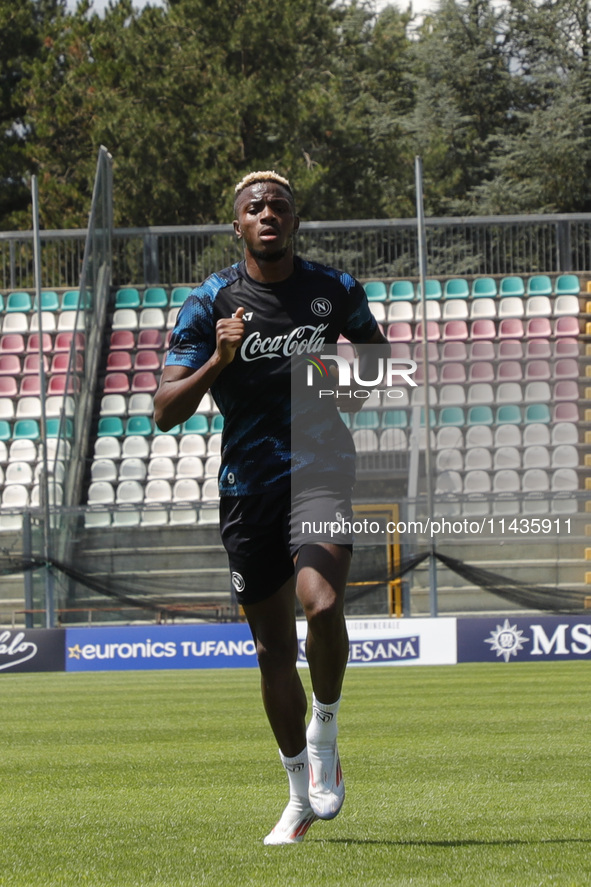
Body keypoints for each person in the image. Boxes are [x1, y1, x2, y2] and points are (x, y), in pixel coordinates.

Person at [154, 170, 389, 844]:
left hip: (320, 471)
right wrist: (219, 359)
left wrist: (340, 393)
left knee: (321, 601)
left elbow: (374, 357)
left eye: (278, 206)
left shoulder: (333, 289)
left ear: (293, 220)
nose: (267, 214)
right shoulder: (209, 302)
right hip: (247, 487)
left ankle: (327, 727)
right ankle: (296, 794)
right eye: (254, 207)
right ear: (237, 225)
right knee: (270, 647)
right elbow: (165, 410)